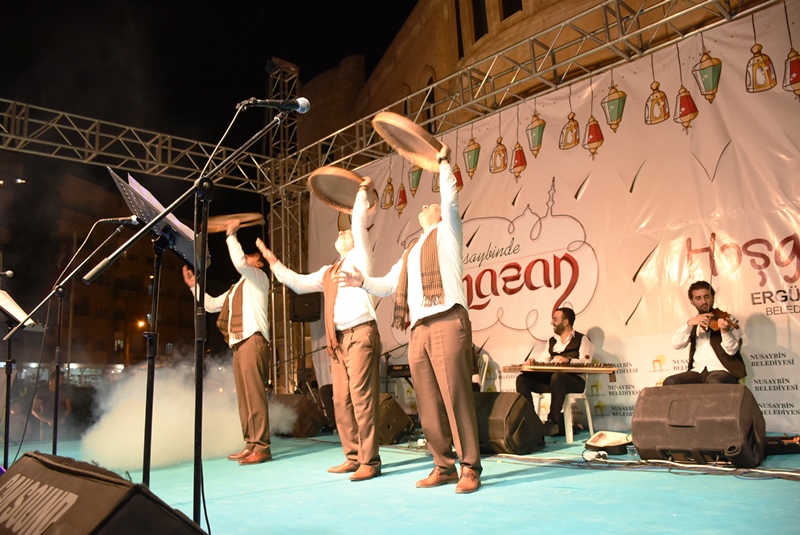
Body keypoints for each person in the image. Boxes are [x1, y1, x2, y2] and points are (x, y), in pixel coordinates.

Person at [339, 142, 483, 494]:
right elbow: (388, 285)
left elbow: (449, 199)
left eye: (430, 205)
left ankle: (469, 467)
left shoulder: (447, 233)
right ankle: (443, 465)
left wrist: (443, 164)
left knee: (456, 397)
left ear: (439, 215)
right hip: (418, 329)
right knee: (428, 402)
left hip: (446, 319)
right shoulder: (410, 252)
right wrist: (362, 282)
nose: (424, 206)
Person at [257, 176, 382, 482]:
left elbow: (358, 222)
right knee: (340, 400)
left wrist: (361, 192)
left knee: (361, 399)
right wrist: (274, 263)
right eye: (339, 231)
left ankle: (370, 460)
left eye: (347, 231)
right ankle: (352, 456)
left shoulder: (361, 257)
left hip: (361, 334)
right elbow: (298, 283)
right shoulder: (329, 271)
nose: (343, 232)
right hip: (338, 341)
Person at [182, 219, 272, 465]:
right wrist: (193, 287)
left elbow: (240, 262)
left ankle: (262, 446)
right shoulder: (236, 289)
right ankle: (251, 443)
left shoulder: (259, 278)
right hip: (239, 344)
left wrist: (231, 235)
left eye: (251, 257)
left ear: (258, 263)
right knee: (244, 398)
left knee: (254, 395)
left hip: (253, 340)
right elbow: (211, 305)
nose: (247, 259)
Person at [515, 307, 595, 436]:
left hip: (575, 382)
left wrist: (568, 360)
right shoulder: (552, 341)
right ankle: (531, 422)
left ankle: (553, 419)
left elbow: (587, 362)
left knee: (558, 376)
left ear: (565, 322)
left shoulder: (582, 339)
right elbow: (544, 359)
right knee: (522, 379)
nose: (552, 322)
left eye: (555, 319)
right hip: (554, 382)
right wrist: (534, 362)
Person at [665, 280, 745, 385]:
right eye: (698, 298)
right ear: (691, 301)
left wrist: (725, 331)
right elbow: (676, 344)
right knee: (670, 382)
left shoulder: (727, 319)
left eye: (707, 297)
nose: (703, 301)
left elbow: (731, 351)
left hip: (722, 370)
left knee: (714, 380)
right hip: (697, 371)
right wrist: (689, 323)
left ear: (713, 297)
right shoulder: (693, 323)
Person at [31, 372, 72, 441]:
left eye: (63, 379)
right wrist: (48, 420)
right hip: (46, 426)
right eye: (61, 379)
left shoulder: (64, 392)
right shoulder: (42, 392)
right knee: (46, 444)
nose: (62, 381)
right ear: (53, 379)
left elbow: (69, 407)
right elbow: (34, 410)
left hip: (60, 425)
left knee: (61, 444)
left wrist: (63, 418)